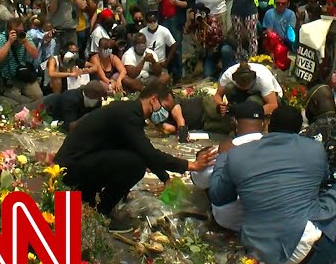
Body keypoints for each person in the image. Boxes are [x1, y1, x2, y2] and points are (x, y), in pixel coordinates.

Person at [209, 103, 336, 264]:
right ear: (299, 130)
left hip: (257, 256)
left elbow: (219, 196)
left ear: (268, 125)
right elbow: (323, 180)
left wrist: (223, 156)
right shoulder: (314, 149)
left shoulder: (237, 154)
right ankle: (335, 248)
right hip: (307, 261)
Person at [53, 81, 217, 232]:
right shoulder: (128, 115)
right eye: (165, 108)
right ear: (154, 100)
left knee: (133, 157)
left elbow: (141, 149)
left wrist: (165, 178)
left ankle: (87, 196)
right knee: (135, 165)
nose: (165, 114)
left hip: (77, 162)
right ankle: (101, 211)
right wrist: (191, 165)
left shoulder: (129, 111)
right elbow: (149, 154)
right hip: (70, 168)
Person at [191, 101, 267, 232]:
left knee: (210, 180)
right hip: (267, 219)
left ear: (235, 122)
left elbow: (199, 180)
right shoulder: (276, 149)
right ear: (264, 123)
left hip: (230, 221)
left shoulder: (222, 149)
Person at [213, 61, 283, 117]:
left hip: (268, 97)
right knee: (229, 87)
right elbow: (218, 95)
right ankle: (235, 112)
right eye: (241, 86)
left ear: (253, 79)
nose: (244, 88)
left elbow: (273, 104)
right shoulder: (228, 74)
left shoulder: (263, 79)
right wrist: (221, 105)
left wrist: (251, 112)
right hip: (243, 94)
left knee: (252, 101)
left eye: (246, 86)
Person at [43, 80, 107, 132]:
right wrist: (87, 117)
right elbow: (70, 127)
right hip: (52, 115)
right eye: (97, 97)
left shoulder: (97, 100)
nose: (99, 100)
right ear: (91, 95)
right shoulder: (71, 100)